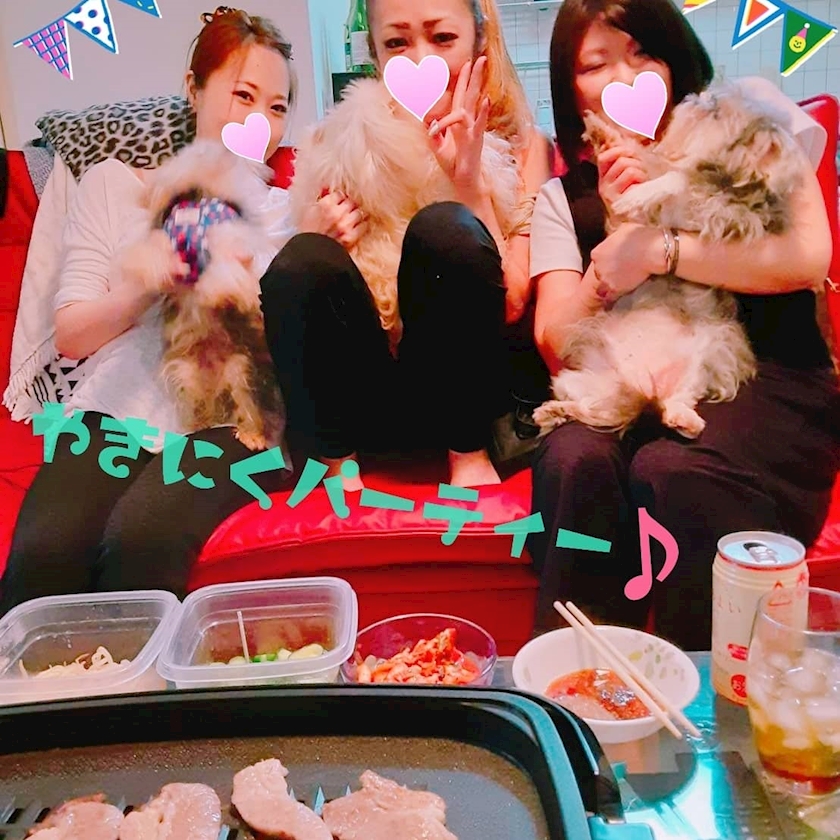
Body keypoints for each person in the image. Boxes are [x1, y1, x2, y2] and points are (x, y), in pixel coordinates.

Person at [527, 0, 840, 649]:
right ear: (569, 87)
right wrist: (613, 249)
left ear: (674, 56)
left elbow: (808, 256)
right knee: (574, 458)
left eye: (642, 52)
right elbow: (556, 339)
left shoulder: (747, 116)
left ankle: (711, 684)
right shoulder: (562, 198)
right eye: (595, 64)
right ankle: (575, 677)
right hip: (626, 381)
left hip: (767, 380)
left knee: (675, 471)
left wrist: (659, 248)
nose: (624, 76)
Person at [0, 7, 302, 615]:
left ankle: (136, 681)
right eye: (242, 96)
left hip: (234, 420)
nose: (260, 123)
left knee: (142, 539)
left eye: (277, 107)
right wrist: (151, 279)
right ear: (194, 89)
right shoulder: (115, 186)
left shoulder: (286, 210)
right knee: (46, 553)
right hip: (117, 410)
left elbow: (293, 359)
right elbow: (72, 335)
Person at [259, 0, 554, 490]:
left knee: (446, 229)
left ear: (479, 40)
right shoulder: (341, 142)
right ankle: (336, 468)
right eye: (397, 43)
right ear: (374, 54)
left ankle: (468, 457)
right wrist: (310, 231)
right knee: (303, 258)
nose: (421, 59)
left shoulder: (522, 145)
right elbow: (297, 294)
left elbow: (513, 300)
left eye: (442, 38)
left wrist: (469, 185)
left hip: (466, 397)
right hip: (361, 397)